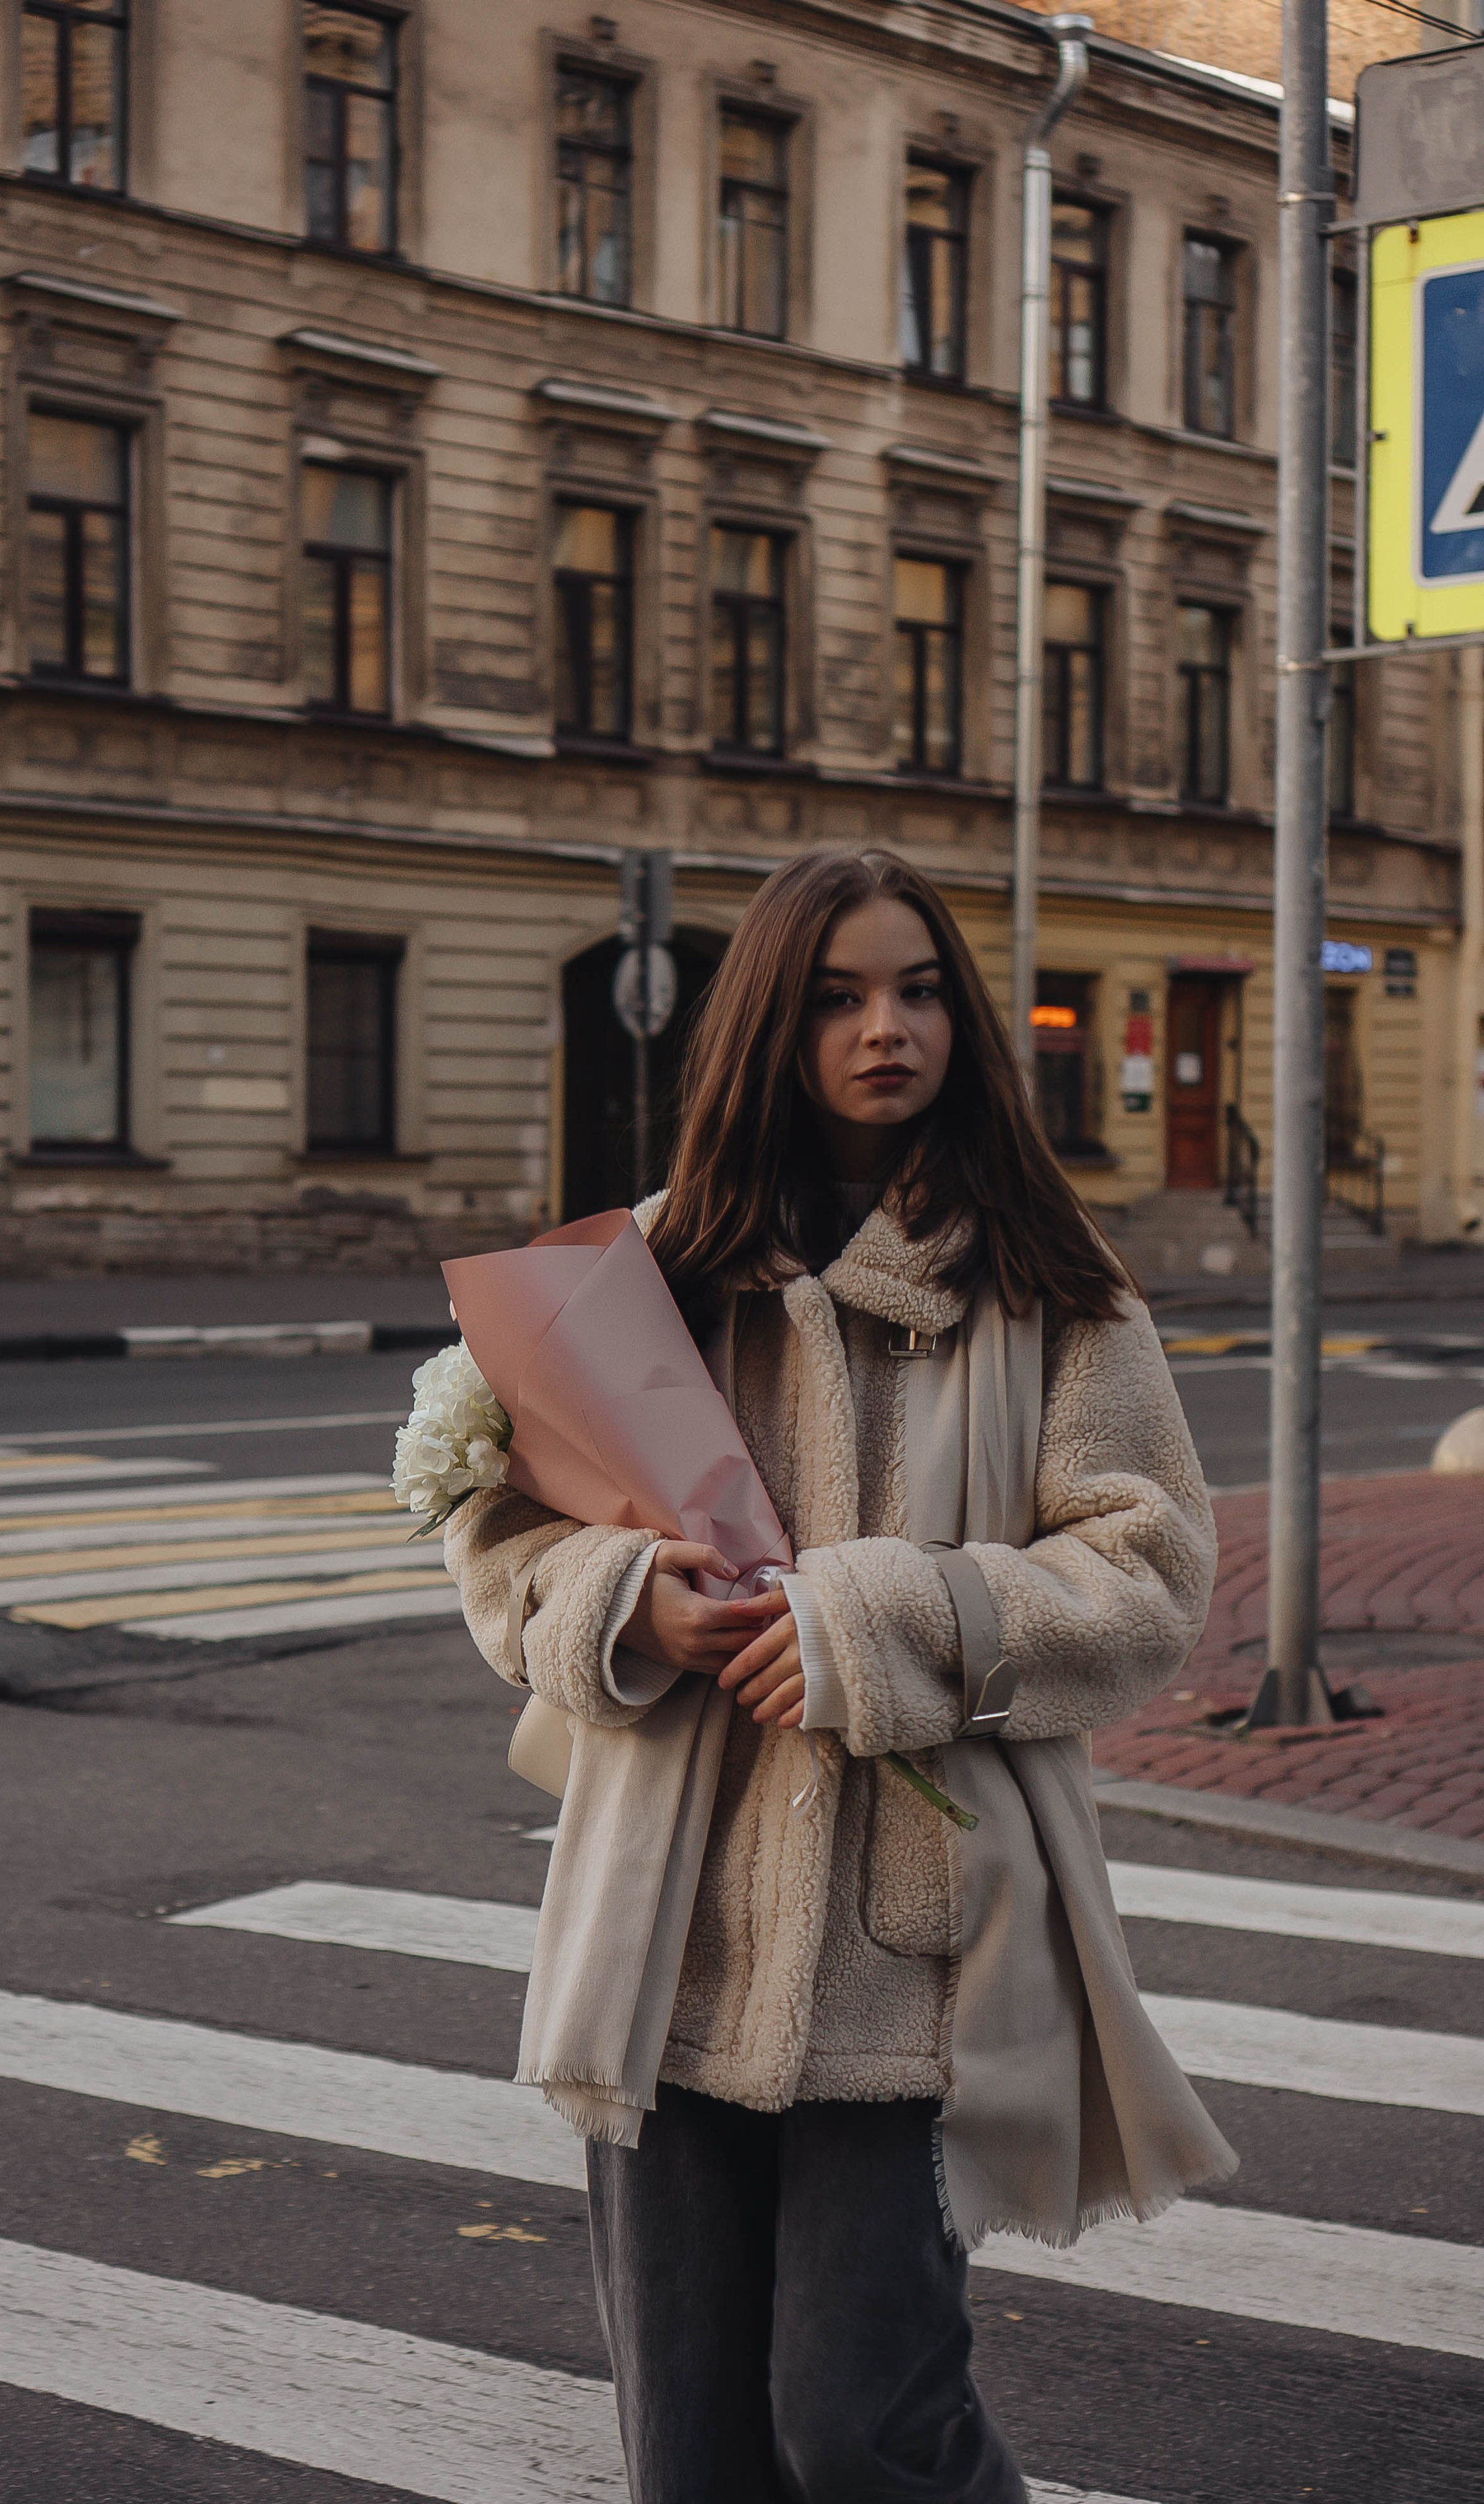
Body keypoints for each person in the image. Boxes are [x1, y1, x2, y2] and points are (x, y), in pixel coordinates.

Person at [447, 848, 1230, 2504]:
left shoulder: (1044, 1279)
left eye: (921, 989)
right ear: (763, 1027)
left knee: (862, 2423)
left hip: (912, 1940)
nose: (889, 1030)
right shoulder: (641, 1275)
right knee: (692, 2452)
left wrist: (868, 1623)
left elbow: (1146, 1573)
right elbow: (499, 1544)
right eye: (839, 997)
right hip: (672, 1922)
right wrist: (620, 1604)